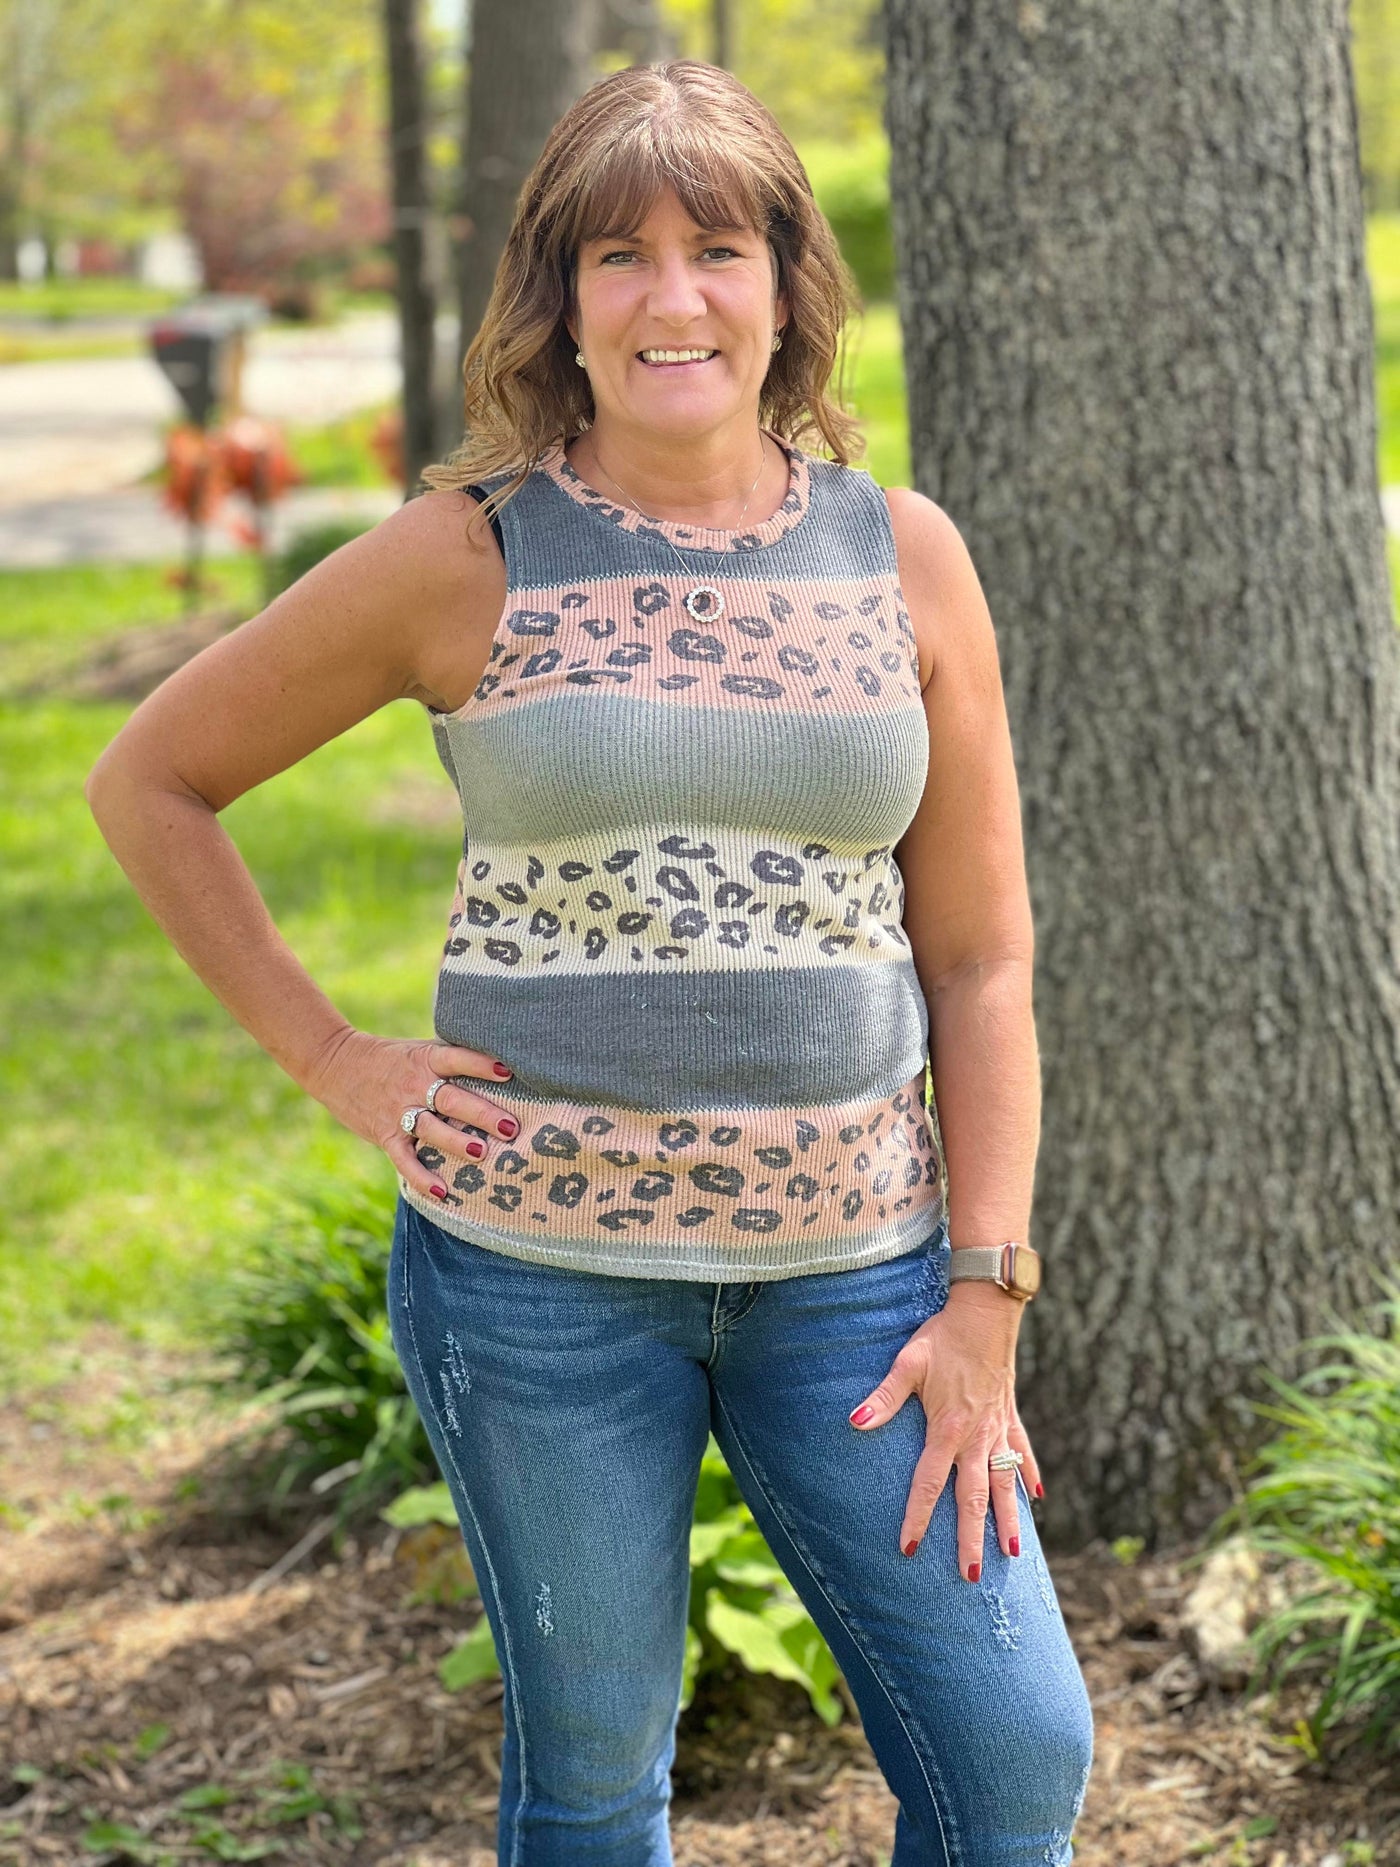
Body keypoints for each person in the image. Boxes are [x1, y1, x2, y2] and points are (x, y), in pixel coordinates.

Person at [85, 57, 1093, 1867]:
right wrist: (338, 1060)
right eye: (619, 256)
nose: (674, 297)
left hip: (863, 1289)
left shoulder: (905, 558)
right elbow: (153, 777)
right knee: (597, 1781)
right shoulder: (461, 554)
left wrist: (987, 1293)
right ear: (560, 299)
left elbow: (985, 954)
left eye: (719, 247)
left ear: (788, 286)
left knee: (1016, 1752)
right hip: (536, 1286)